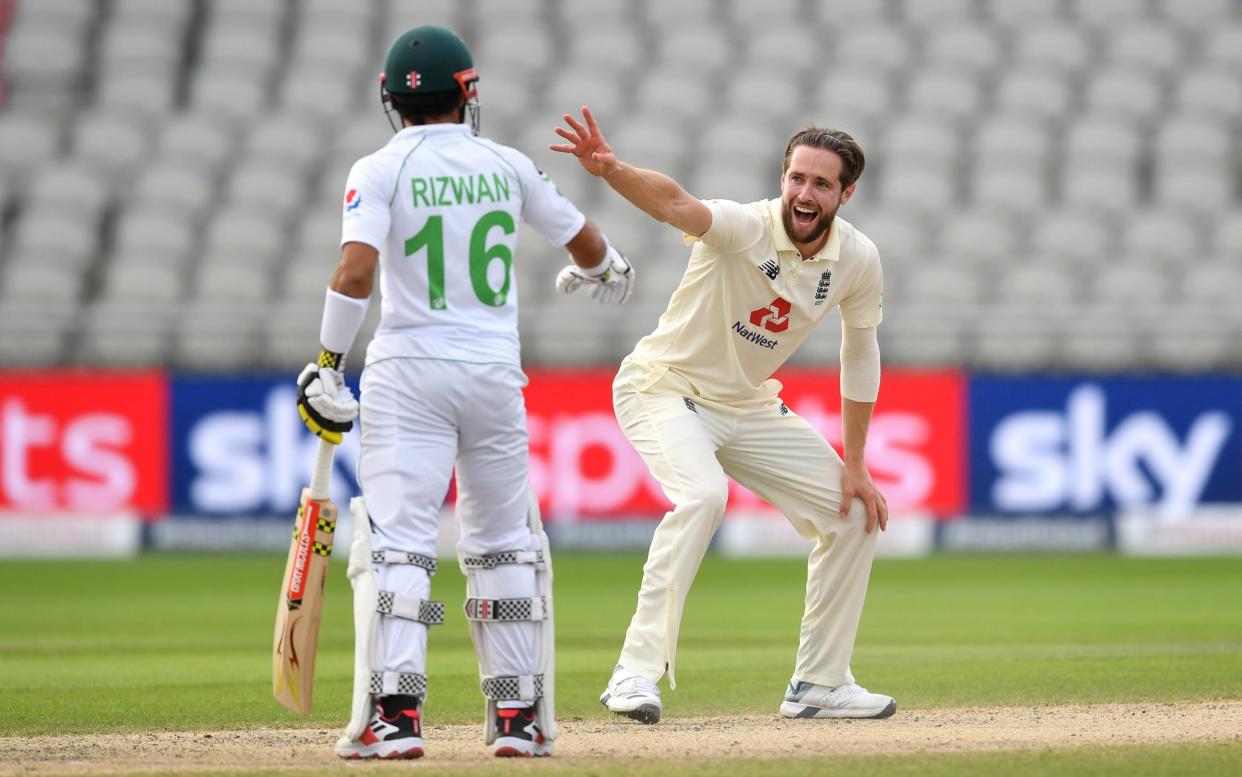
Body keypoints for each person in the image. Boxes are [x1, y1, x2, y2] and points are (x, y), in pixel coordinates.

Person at [294, 29, 634, 760]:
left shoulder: (379, 167)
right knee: (503, 542)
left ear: (392, 100)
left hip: (408, 373)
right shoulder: (506, 164)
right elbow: (588, 244)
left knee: (401, 544)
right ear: (468, 93)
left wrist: (327, 363)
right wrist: (607, 270)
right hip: (491, 374)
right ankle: (516, 716)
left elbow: (355, 273)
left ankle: (395, 717)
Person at [550, 107, 894, 724]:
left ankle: (819, 683)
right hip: (664, 386)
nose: (804, 193)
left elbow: (860, 351)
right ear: (782, 178)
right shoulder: (746, 226)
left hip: (745, 404)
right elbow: (674, 204)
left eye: (821, 183)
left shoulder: (858, 260)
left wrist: (858, 465)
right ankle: (634, 673)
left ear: (847, 193)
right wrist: (612, 169)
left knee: (854, 515)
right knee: (704, 498)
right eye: (796, 178)